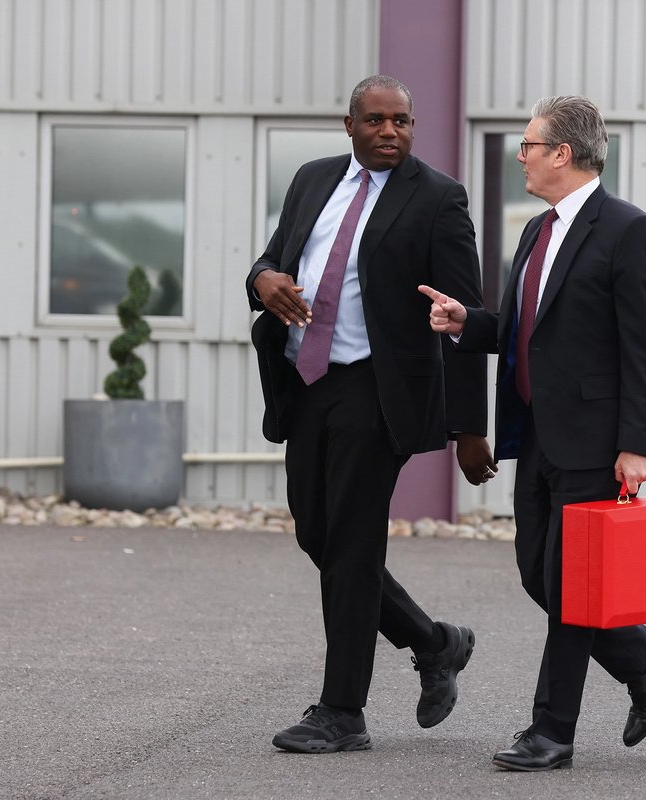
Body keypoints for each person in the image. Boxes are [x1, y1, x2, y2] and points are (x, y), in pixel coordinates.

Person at [419, 95, 646, 771]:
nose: (522, 155)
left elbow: (643, 348)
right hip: (536, 434)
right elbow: (522, 327)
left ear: (562, 153)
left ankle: (551, 732)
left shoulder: (630, 231)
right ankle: (643, 657)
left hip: (597, 442)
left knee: (570, 588)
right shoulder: (538, 230)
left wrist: (638, 444)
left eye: (530, 144)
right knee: (538, 573)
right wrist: (466, 322)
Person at [247, 75, 496, 754]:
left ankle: (342, 710)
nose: (392, 132)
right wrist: (262, 279)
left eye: (403, 122)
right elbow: (276, 258)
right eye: (377, 121)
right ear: (350, 124)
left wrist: (469, 430)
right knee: (318, 537)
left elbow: (464, 321)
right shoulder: (312, 180)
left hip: (377, 388)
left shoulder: (439, 199)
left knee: (353, 546)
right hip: (307, 383)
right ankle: (435, 641)